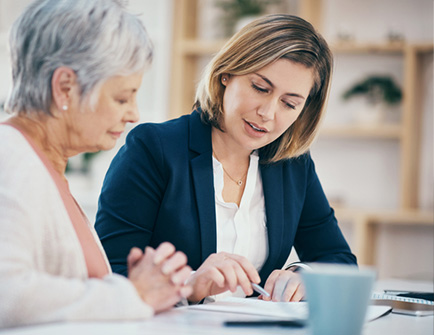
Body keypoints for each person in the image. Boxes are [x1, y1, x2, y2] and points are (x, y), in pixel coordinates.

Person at [95, 14, 357, 304]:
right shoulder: (152, 149)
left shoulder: (293, 166)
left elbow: (339, 261)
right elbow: (108, 274)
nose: (268, 113)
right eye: (260, 88)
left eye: (289, 103)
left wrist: (302, 275)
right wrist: (191, 286)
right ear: (227, 75)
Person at [0, 0, 192, 329]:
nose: (133, 114)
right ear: (65, 88)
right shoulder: (10, 159)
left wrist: (154, 288)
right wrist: (132, 294)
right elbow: (7, 293)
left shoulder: (42, 165)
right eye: (122, 97)